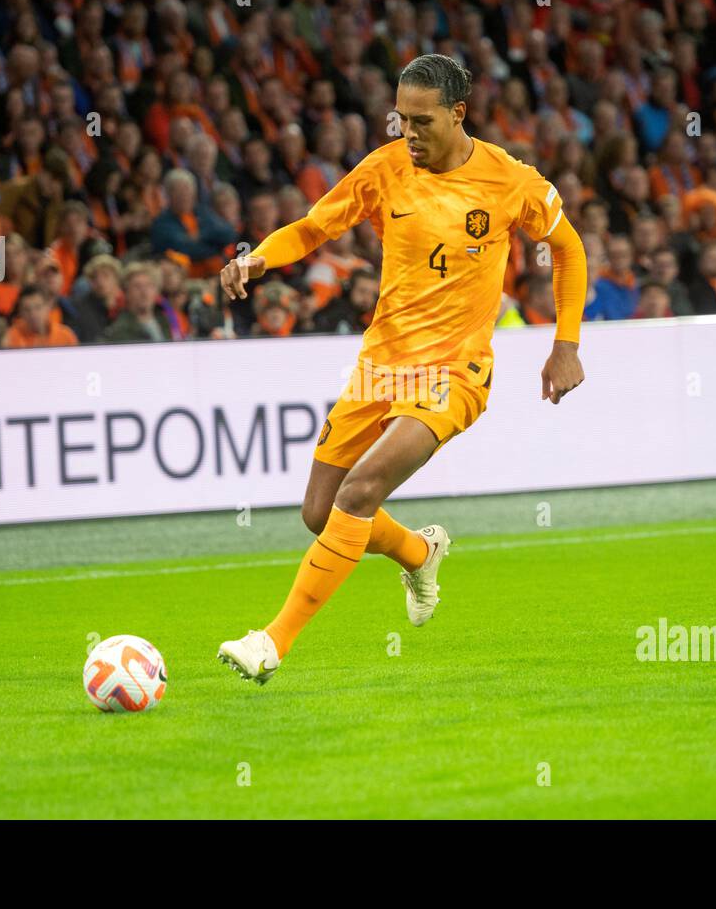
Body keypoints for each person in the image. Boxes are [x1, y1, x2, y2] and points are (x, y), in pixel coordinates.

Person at [214, 55, 586, 684]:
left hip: (455, 372)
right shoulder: (385, 169)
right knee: (320, 510)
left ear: (458, 113)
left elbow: (568, 249)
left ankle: (272, 642)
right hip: (381, 366)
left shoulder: (509, 181)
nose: (407, 133)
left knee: (360, 492)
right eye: (400, 119)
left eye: (421, 121)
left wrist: (566, 343)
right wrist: (258, 260)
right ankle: (420, 551)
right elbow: (311, 229)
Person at [104, 263, 173, 343]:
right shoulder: (117, 331)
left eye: (149, 285)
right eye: (137, 286)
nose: (144, 292)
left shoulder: (165, 321)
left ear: (156, 291)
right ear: (126, 292)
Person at [4, 284, 79, 348]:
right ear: (20, 312)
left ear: (48, 307)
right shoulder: (11, 337)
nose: (33, 314)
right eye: (27, 309)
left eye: (38, 307)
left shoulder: (66, 336)